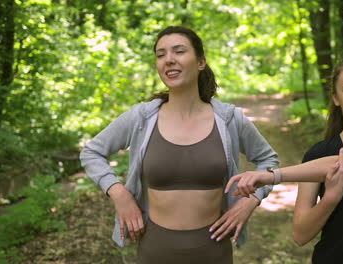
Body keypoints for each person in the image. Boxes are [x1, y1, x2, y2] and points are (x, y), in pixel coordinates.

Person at [80, 26, 278, 264]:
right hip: (155, 251)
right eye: (161, 54)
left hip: (213, 252)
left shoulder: (229, 119)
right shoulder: (141, 118)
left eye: (179, 51)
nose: (169, 60)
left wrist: (250, 200)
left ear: (201, 62)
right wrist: (118, 192)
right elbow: (91, 152)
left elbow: (269, 161)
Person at [226, 56, 343, 264]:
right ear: (335, 98)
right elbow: (301, 234)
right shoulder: (317, 155)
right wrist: (331, 197)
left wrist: (272, 176)